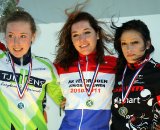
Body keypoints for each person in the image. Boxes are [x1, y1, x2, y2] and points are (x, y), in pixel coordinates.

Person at [54, 3, 117, 130]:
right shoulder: (60, 67)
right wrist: (59, 98)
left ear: (97, 34)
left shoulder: (114, 64)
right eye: (75, 35)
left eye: (87, 32)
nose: (81, 39)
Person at [0, 10, 63, 130]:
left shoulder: (46, 67)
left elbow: (64, 101)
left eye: (23, 36)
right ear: (4, 37)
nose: (16, 43)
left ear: (33, 36)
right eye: (11, 35)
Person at [111, 19, 160, 130]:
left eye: (135, 42)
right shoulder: (117, 71)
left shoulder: (157, 72)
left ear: (147, 44)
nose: (129, 49)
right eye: (124, 44)